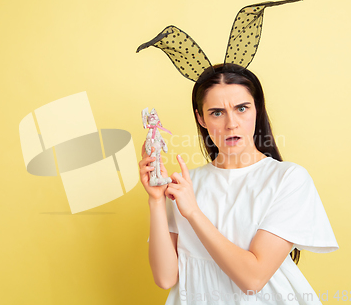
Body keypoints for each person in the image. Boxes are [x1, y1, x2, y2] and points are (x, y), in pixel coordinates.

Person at [139, 63, 339, 304]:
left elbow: (252, 279)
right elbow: (165, 278)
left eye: (242, 108)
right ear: (200, 118)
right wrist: (156, 199)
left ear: (257, 110)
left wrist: (193, 212)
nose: (231, 123)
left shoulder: (288, 179)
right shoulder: (185, 185)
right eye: (216, 112)